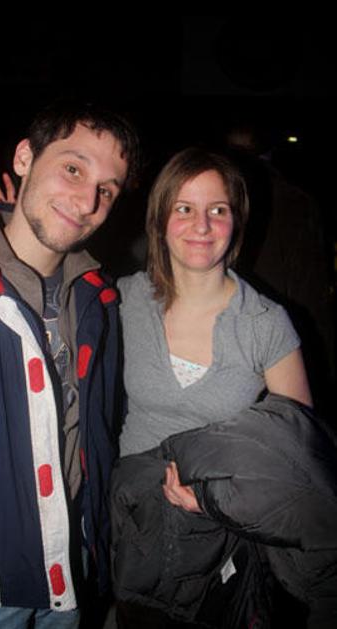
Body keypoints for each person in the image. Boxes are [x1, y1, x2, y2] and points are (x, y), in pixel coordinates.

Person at [0, 100, 140, 628]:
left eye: (107, 190)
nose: (87, 201)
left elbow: (96, 438)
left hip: (72, 571)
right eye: (73, 169)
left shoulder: (97, 299)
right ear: (24, 158)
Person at [110, 147, 336, 629]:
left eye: (218, 210)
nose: (202, 225)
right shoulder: (126, 300)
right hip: (135, 531)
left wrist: (215, 502)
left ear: (236, 221)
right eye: (184, 208)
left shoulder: (265, 324)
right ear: (160, 220)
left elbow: (298, 460)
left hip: (221, 547)